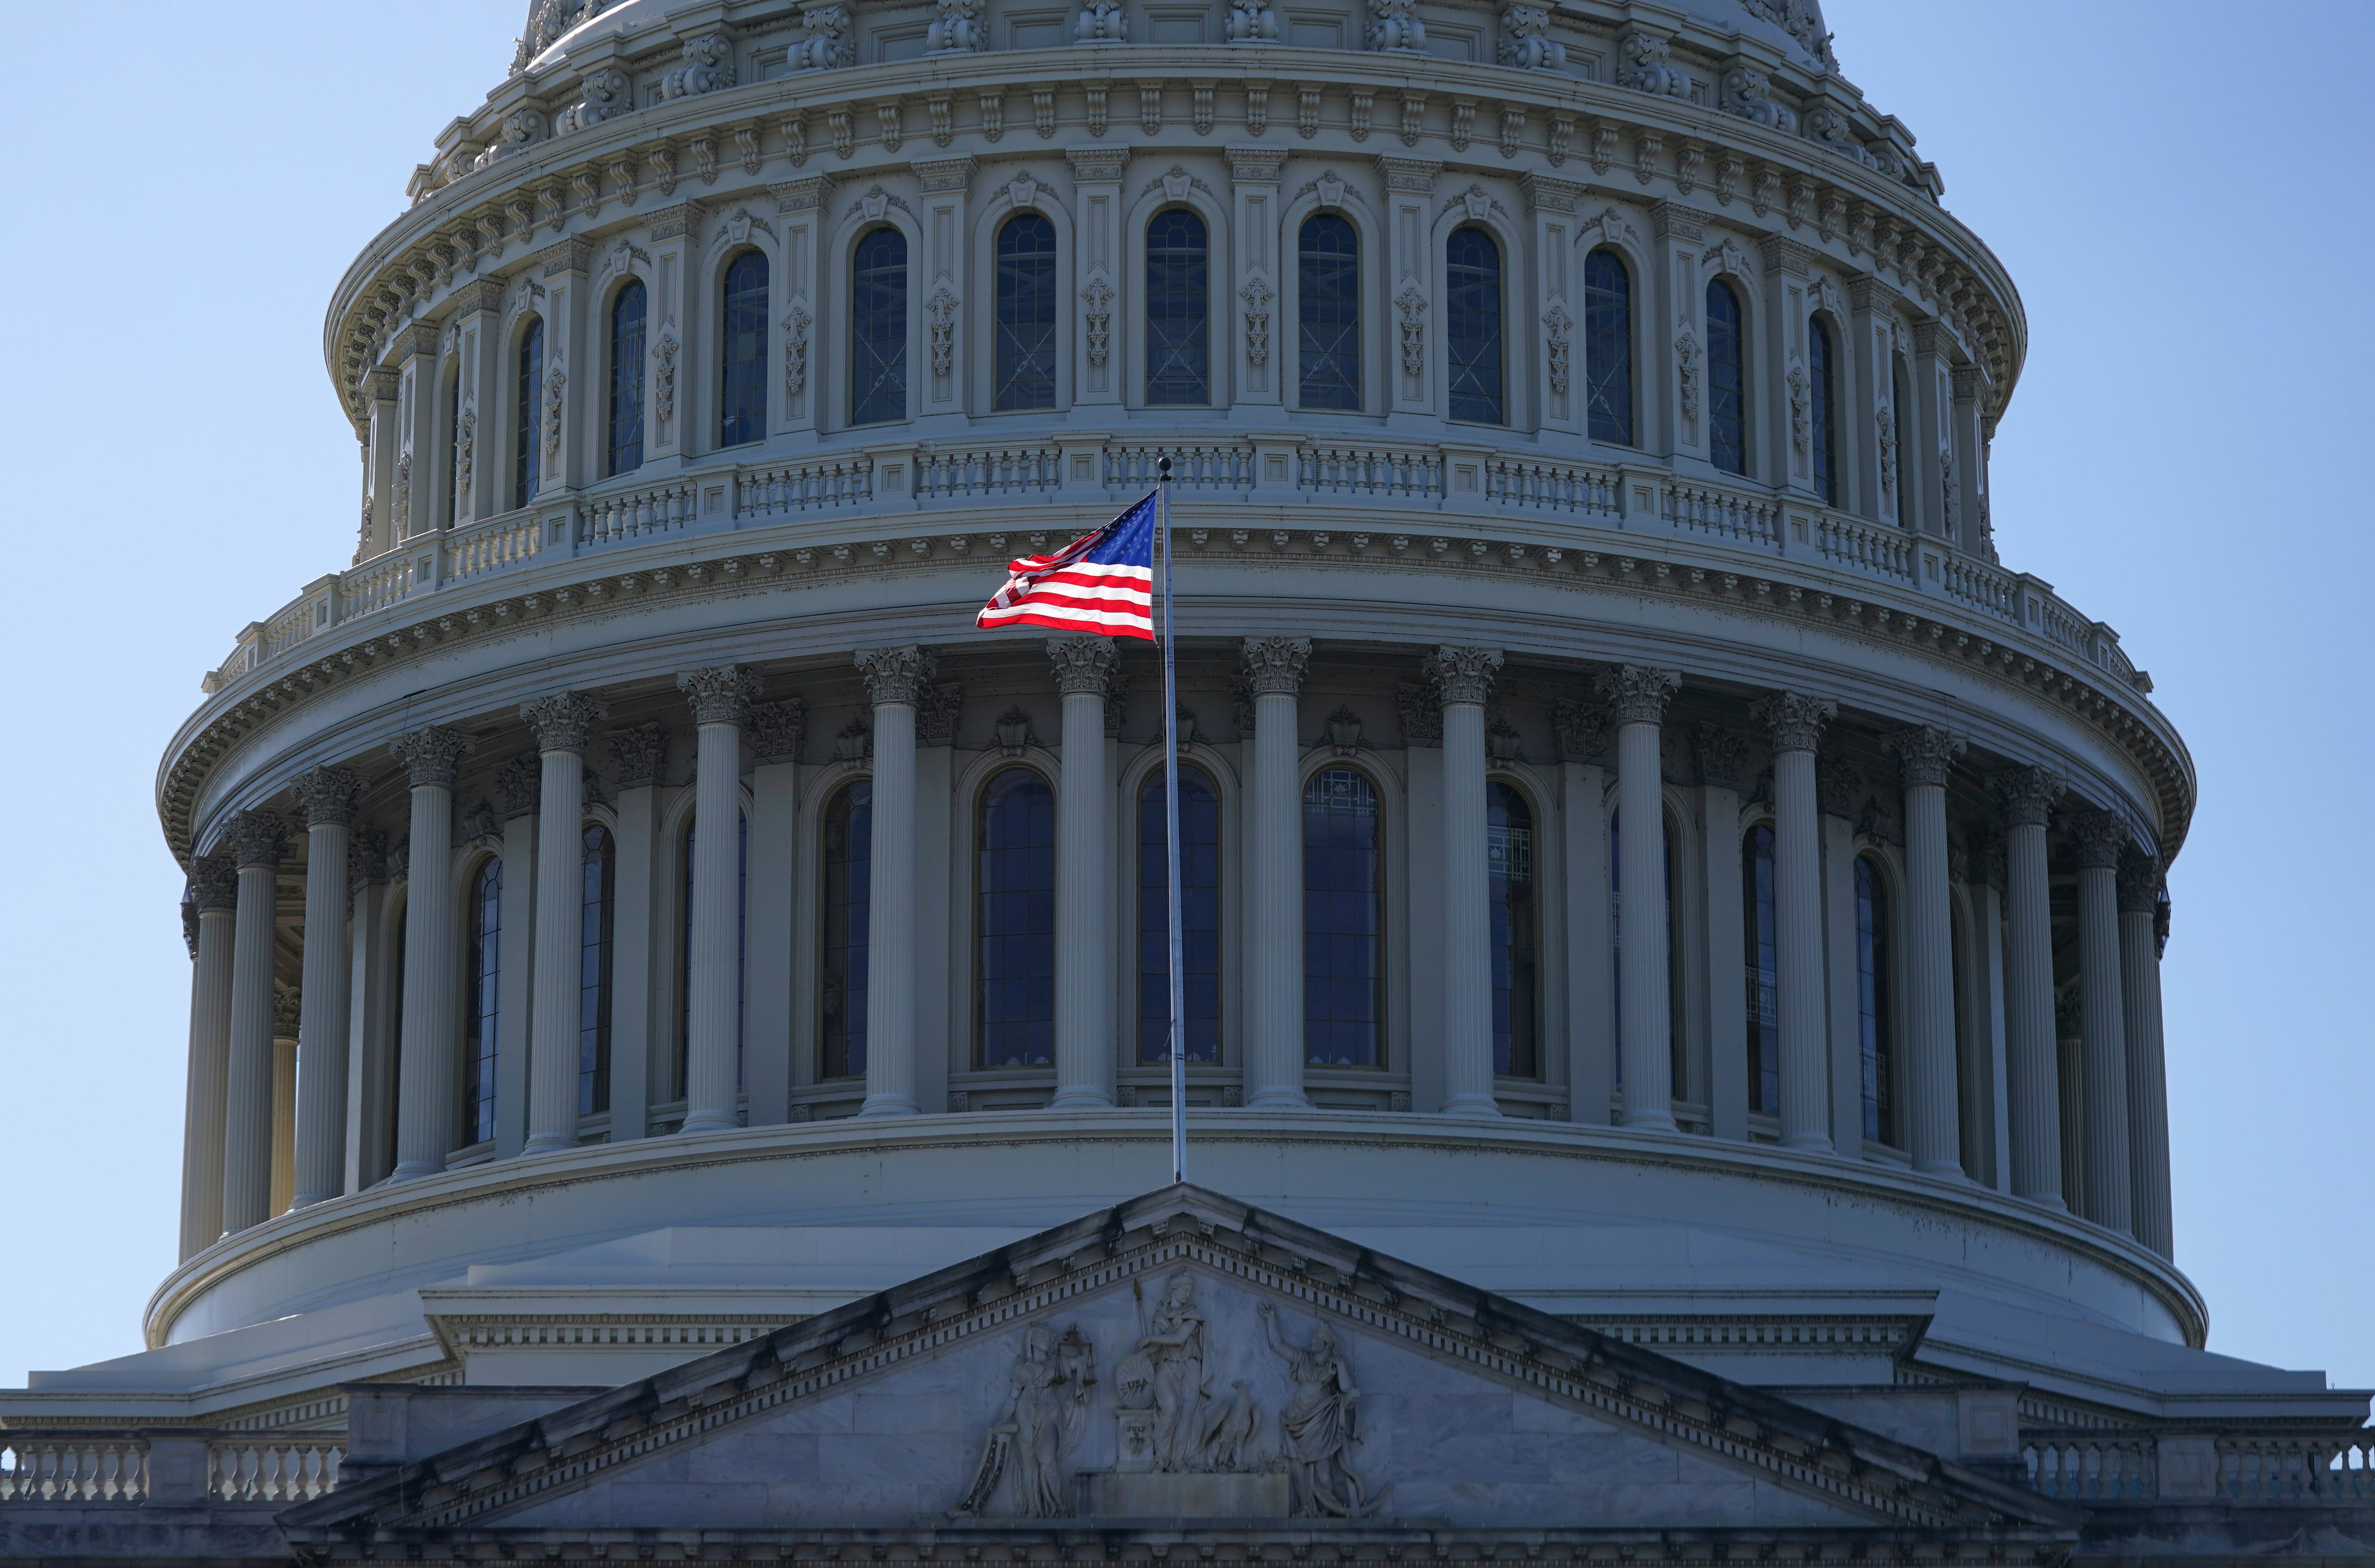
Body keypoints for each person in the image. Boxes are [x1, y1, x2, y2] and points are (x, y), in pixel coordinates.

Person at [1259, 1301, 1374, 1516]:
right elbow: (1277, 1345)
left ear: (1327, 1342)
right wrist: (1271, 1318)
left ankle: (1326, 1506)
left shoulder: (1333, 1364)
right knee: (1298, 1467)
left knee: (1322, 1468)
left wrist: (1340, 1366)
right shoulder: (1303, 1358)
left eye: (1317, 1338)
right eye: (1313, 1338)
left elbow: (1348, 1388)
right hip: (1296, 1419)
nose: (1312, 1341)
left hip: (1322, 1419)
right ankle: (1306, 1507)